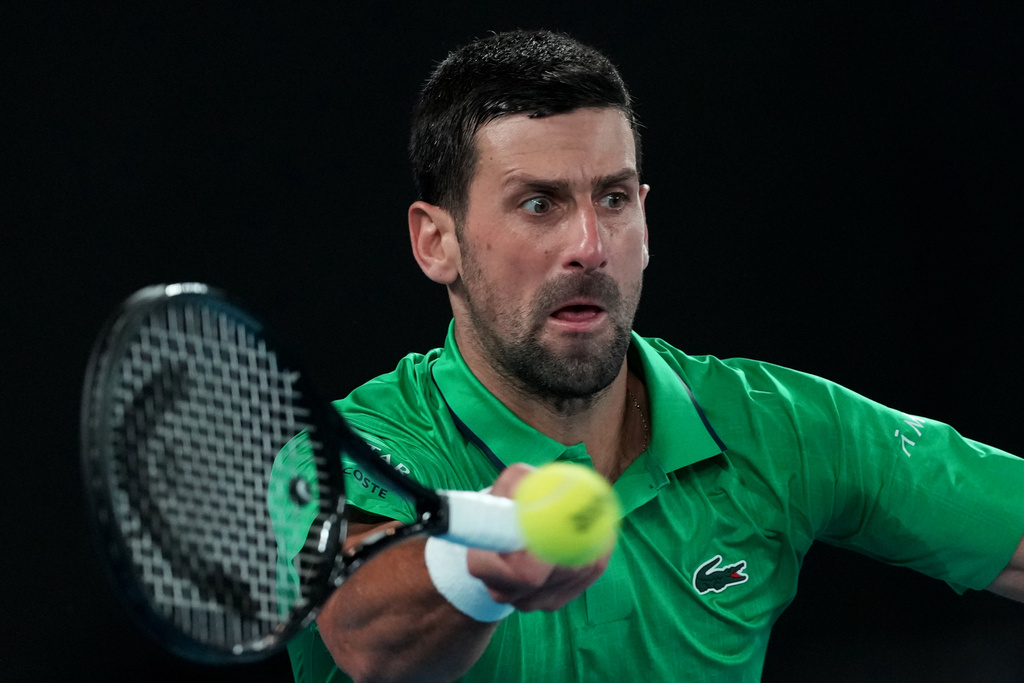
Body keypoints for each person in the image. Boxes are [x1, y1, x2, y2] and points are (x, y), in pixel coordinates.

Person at [284, 29, 1024, 682]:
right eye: (538, 203)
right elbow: (367, 635)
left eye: (612, 199)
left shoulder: (778, 426)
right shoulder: (347, 449)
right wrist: (477, 568)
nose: (589, 247)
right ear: (434, 241)